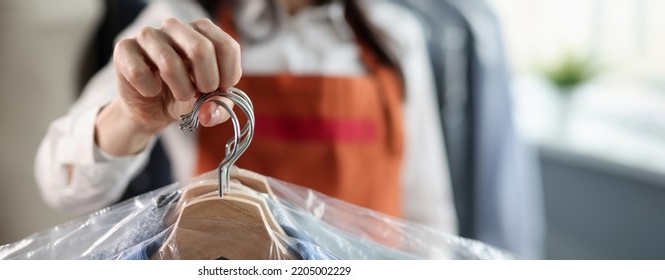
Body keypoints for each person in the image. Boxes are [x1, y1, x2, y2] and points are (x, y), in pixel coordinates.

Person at [35, 0, 458, 234]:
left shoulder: (395, 36)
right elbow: (62, 182)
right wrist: (132, 119)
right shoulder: (181, 24)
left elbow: (426, 213)